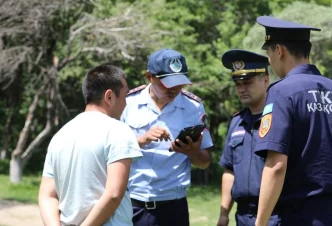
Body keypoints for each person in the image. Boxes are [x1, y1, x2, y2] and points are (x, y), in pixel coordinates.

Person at [253, 16, 332, 226]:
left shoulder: (281, 92)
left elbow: (277, 166)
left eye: (269, 53)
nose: (269, 61)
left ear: (279, 50)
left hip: (300, 217)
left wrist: (260, 223)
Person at [38, 65, 142, 226]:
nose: (126, 103)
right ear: (109, 96)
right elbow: (114, 194)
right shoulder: (118, 130)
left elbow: (47, 196)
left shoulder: (61, 135)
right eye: (124, 96)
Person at [121, 48, 213, 226]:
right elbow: (109, 152)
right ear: (150, 76)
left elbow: (205, 162)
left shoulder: (193, 107)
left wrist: (192, 153)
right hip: (132, 204)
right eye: (167, 83)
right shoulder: (127, 103)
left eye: (179, 84)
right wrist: (141, 140)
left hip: (173, 208)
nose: (174, 90)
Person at [217, 49, 280, 226]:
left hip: (276, 215)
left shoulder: (280, 118)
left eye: (248, 82)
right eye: (237, 84)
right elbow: (229, 170)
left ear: (266, 80)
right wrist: (224, 214)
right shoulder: (237, 122)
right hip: (243, 216)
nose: (242, 88)